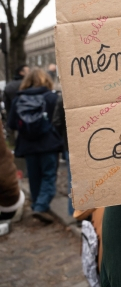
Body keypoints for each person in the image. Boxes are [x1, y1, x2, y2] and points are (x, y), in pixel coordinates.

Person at [8, 68, 63, 224]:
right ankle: (40, 206)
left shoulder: (18, 100)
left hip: (28, 146)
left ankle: (39, 205)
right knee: (49, 176)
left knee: (34, 177)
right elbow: (58, 121)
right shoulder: (51, 97)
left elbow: (12, 124)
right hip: (48, 144)